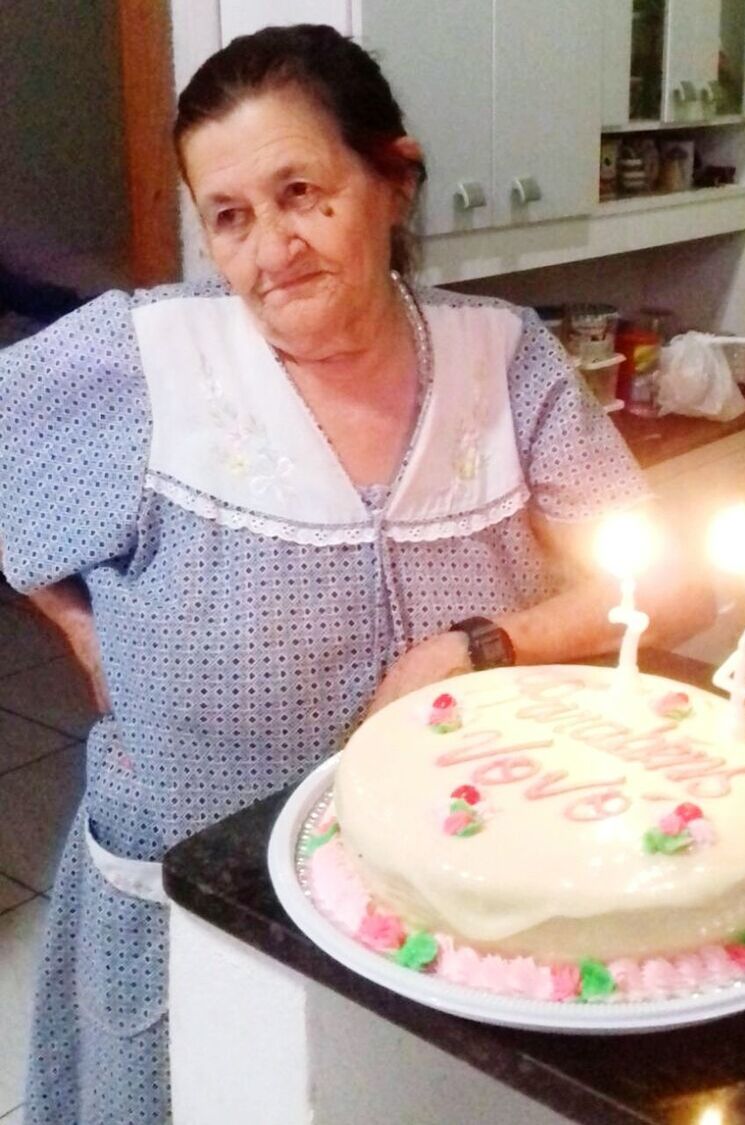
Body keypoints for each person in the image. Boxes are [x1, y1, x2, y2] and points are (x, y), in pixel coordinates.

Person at [0, 24, 703, 1124]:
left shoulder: (503, 359)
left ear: (394, 179)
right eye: (229, 218)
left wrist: (476, 647)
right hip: (191, 900)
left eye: (302, 192)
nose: (272, 248)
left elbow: (671, 581)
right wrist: (78, 623)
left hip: (446, 910)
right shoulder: (145, 362)